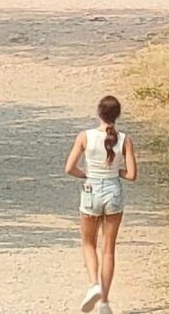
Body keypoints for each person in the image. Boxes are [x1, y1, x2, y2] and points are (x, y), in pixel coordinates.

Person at [64, 93, 137, 312]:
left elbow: (69, 168)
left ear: (99, 113)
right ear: (117, 115)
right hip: (113, 191)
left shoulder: (84, 137)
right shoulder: (124, 140)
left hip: (91, 189)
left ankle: (94, 284)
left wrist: (85, 174)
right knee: (108, 249)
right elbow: (132, 174)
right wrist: (116, 171)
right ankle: (104, 302)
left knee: (88, 243)